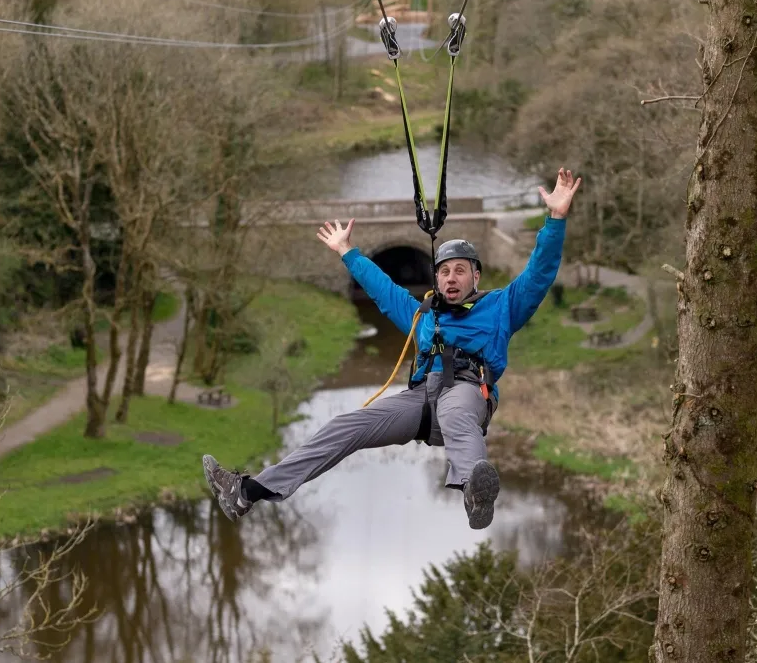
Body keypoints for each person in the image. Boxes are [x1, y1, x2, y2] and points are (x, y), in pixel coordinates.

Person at [203, 168, 581, 530]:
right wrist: (347, 251)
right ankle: (248, 492)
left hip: (467, 392)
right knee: (347, 426)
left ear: (475, 276)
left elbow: (539, 273)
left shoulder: (501, 307)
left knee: (455, 411)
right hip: (420, 402)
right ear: (437, 278)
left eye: (460, 270)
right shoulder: (423, 316)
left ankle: (474, 492)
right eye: (444, 271)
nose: (451, 277)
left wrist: (556, 219)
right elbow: (384, 291)